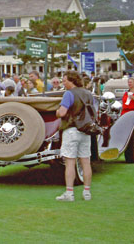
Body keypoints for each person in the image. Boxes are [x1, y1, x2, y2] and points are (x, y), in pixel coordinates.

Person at [55, 70, 93, 202]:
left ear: (71, 80)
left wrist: (57, 113)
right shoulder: (88, 93)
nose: (63, 83)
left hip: (71, 130)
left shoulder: (68, 94)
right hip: (86, 130)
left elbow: (63, 112)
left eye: (64, 80)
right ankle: (87, 192)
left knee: (70, 162)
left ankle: (69, 193)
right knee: (86, 162)